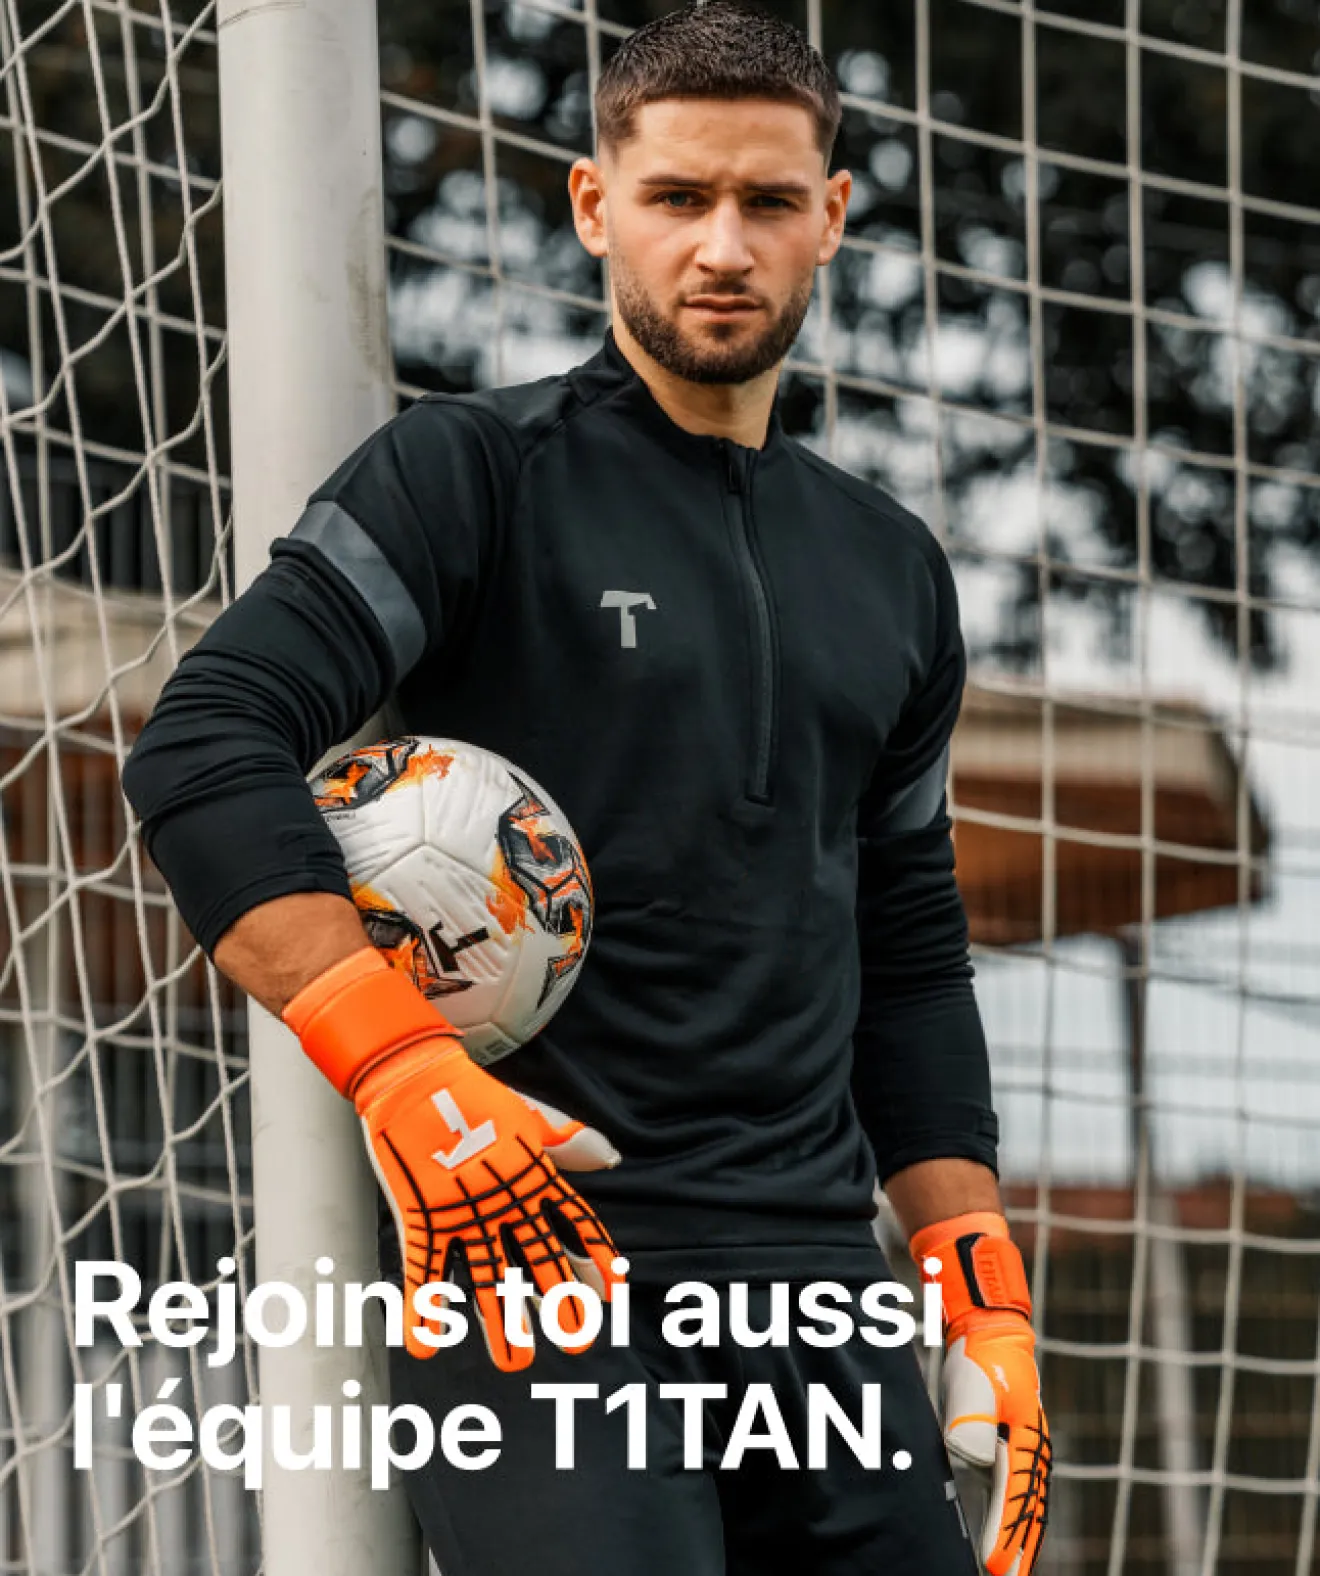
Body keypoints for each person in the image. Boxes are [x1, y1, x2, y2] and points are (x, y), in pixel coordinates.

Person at [122, 4, 1050, 1572]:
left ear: (832, 216)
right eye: (678, 196)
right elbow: (205, 744)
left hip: (816, 1284)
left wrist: (975, 1267)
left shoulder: (893, 568)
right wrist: (403, 1072)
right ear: (593, 204)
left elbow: (906, 942)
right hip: (533, 1261)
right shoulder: (469, 479)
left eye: (767, 201)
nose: (722, 247)